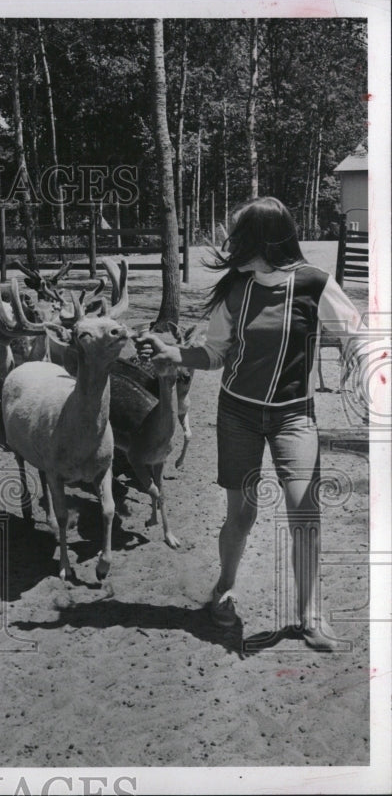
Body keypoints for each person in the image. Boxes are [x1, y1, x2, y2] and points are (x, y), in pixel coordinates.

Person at [140, 196, 369, 651]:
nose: (229, 242)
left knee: (305, 511)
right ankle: (223, 589)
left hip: (294, 416)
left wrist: (365, 364)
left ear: (262, 238)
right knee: (241, 514)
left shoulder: (314, 284)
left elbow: (355, 333)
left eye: (237, 234)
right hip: (237, 413)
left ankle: (311, 615)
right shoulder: (236, 289)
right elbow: (215, 354)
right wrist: (173, 355)